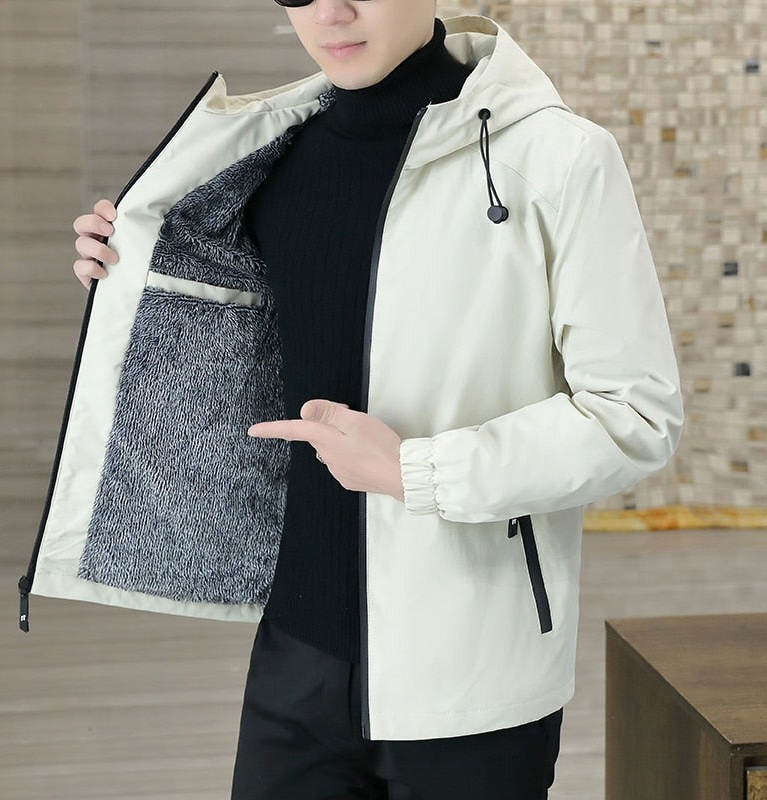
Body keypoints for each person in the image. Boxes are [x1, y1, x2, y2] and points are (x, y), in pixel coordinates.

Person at [65, 1, 683, 798]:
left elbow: (635, 415)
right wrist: (135, 272)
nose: (331, 11)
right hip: (295, 653)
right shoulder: (265, 157)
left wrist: (416, 471)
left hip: (471, 664)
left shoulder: (559, 158)